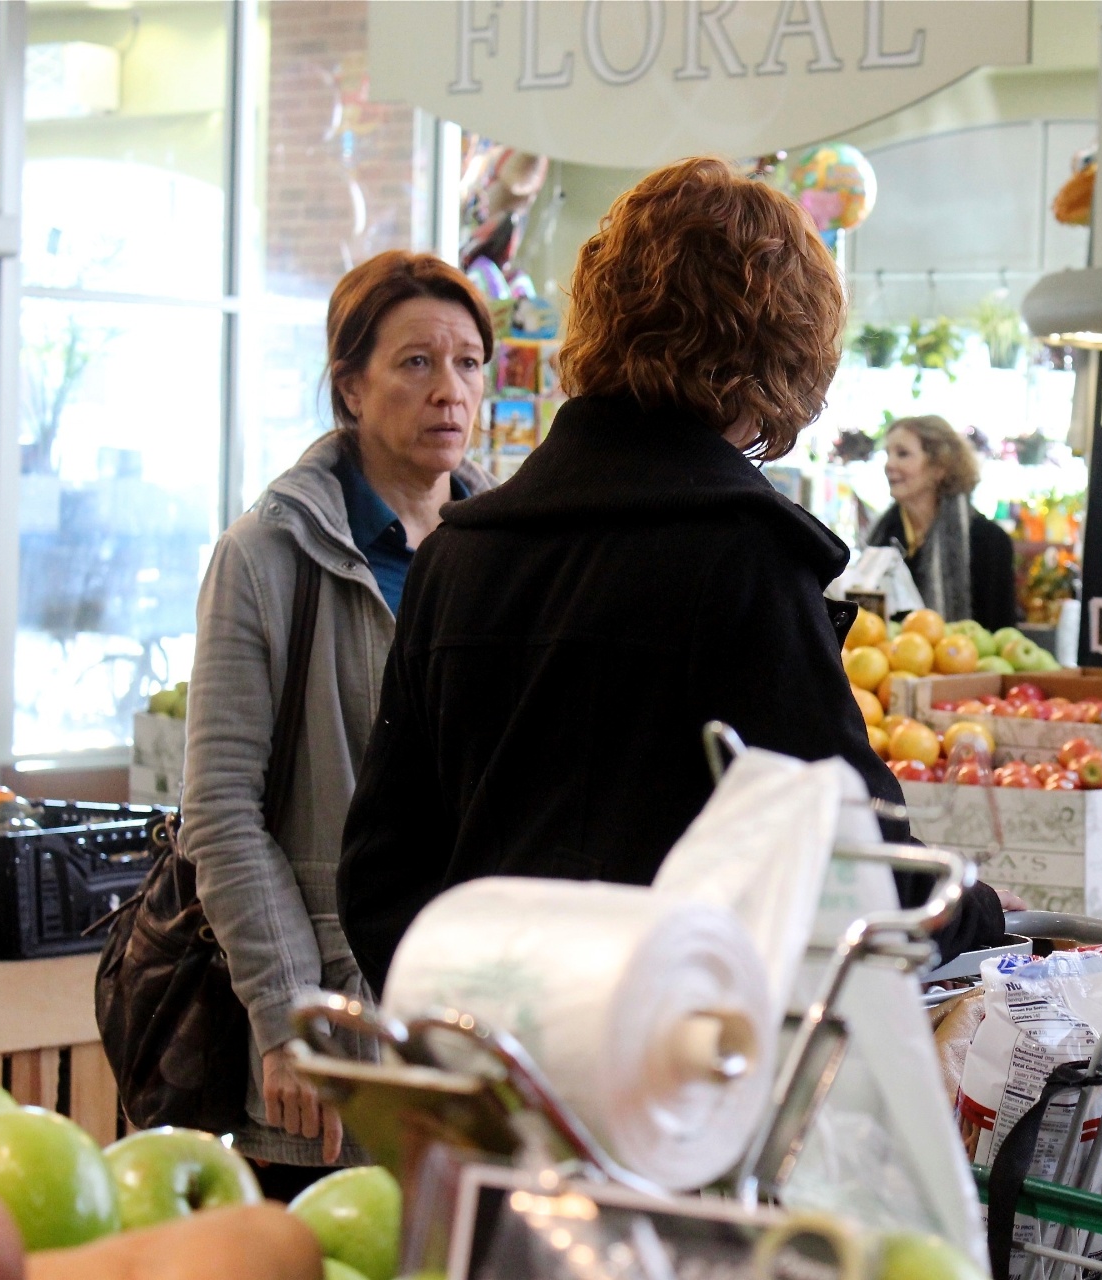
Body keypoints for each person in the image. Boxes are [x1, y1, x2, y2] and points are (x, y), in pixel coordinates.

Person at [337, 157, 1006, 997]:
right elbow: (861, 868)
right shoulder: (747, 561)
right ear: (779, 348)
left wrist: (469, 1034)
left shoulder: (457, 556)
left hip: (489, 1092)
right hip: (682, 1089)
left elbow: (378, 876)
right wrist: (988, 918)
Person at [180, 251, 495, 1190]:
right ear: (350, 386)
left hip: (482, 1023)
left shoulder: (503, 556)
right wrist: (288, 1015)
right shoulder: (267, 556)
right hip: (332, 1021)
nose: (450, 391)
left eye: (470, 364)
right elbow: (222, 812)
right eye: (416, 363)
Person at [867, 415, 1019, 630]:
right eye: (887, 454)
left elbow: (1002, 633)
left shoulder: (988, 541)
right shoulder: (880, 537)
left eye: (902, 454)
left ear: (940, 466)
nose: (889, 465)